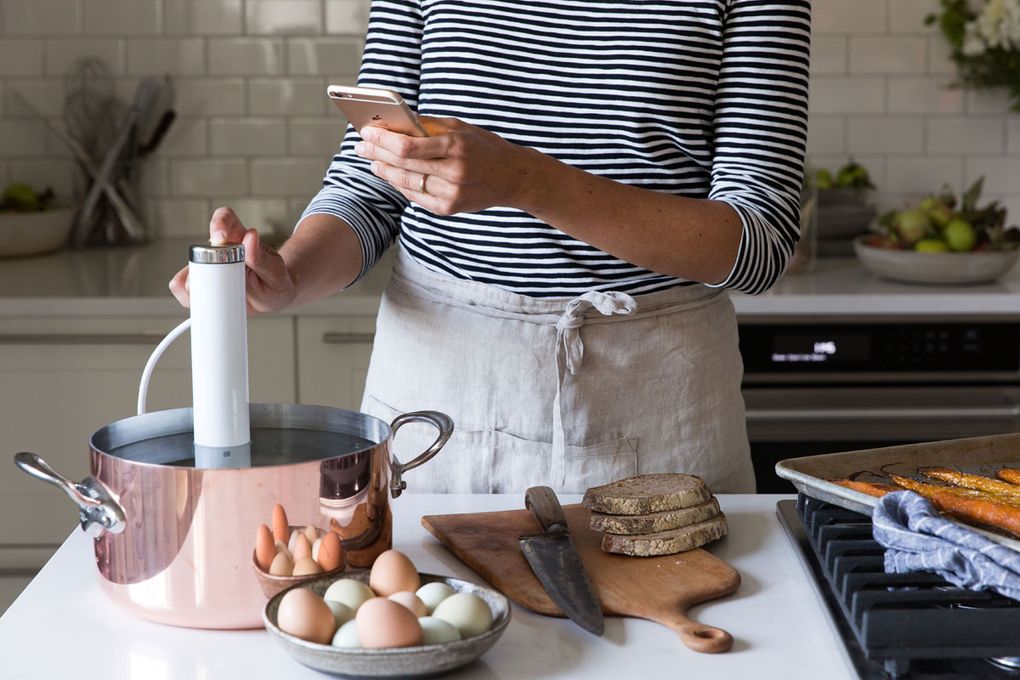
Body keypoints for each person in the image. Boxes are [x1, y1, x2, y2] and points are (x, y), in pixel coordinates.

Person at [171, 0, 811, 494]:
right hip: (435, 392)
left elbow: (759, 241)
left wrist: (525, 180)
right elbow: (371, 185)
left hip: (653, 398)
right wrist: (288, 275)